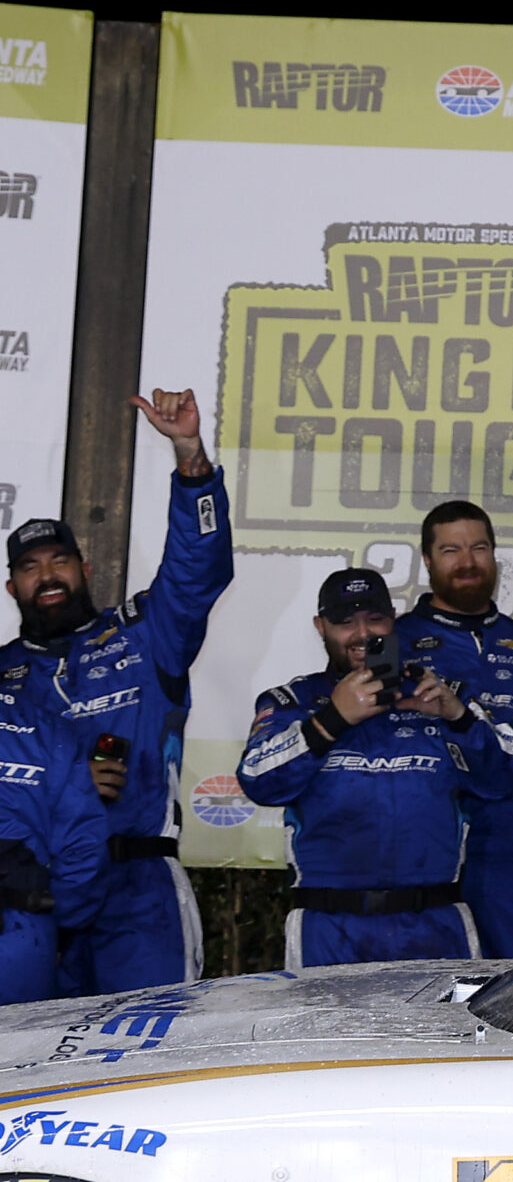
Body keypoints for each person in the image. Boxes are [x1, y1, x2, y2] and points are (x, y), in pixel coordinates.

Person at [0, 388, 233, 995]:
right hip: (29, 901)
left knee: (152, 1064)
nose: (47, 575)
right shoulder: (1, 675)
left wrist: (190, 457)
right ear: (11, 588)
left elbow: (197, 570)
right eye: (30, 567)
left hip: (140, 889)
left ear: (87, 570)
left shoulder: (142, 635)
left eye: (60, 561)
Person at [237, 568, 513, 968]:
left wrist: (457, 718)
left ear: (393, 620)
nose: (362, 634)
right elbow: (257, 780)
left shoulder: (437, 694)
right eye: (345, 623)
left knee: (441, 1033)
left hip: (436, 923)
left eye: (374, 619)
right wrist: (332, 719)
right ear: (321, 627)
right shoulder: (290, 702)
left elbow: (503, 779)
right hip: (328, 927)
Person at [393, 499, 513, 962]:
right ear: (427, 560)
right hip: (423, 867)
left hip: (511, 858)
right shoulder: (394, 643)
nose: (467, 562)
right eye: (451, 550)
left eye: (479, 548)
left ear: (494, 555)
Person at [0, 673, 106, 1004]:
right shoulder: (46, 727)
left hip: (20, 923)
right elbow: (83, 850)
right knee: (21, 1054)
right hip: (21, 931)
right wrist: (62, 927)